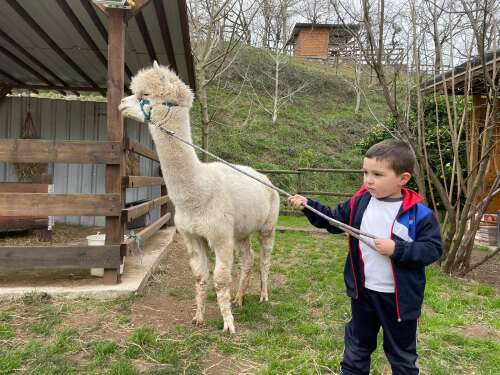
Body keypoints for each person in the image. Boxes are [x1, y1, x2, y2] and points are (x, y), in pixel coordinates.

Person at [288, 139, 442, 375]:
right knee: (357, 349)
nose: (368, 180)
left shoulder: (418, 213)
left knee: (401, 356)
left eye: (378, 174)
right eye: (365, 172)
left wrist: (397, 250)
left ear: (403, 179)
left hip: (400, 301)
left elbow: (432, 250)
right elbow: (332, 221)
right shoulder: (359, 203)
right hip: (364, 294)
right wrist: (308, 206)